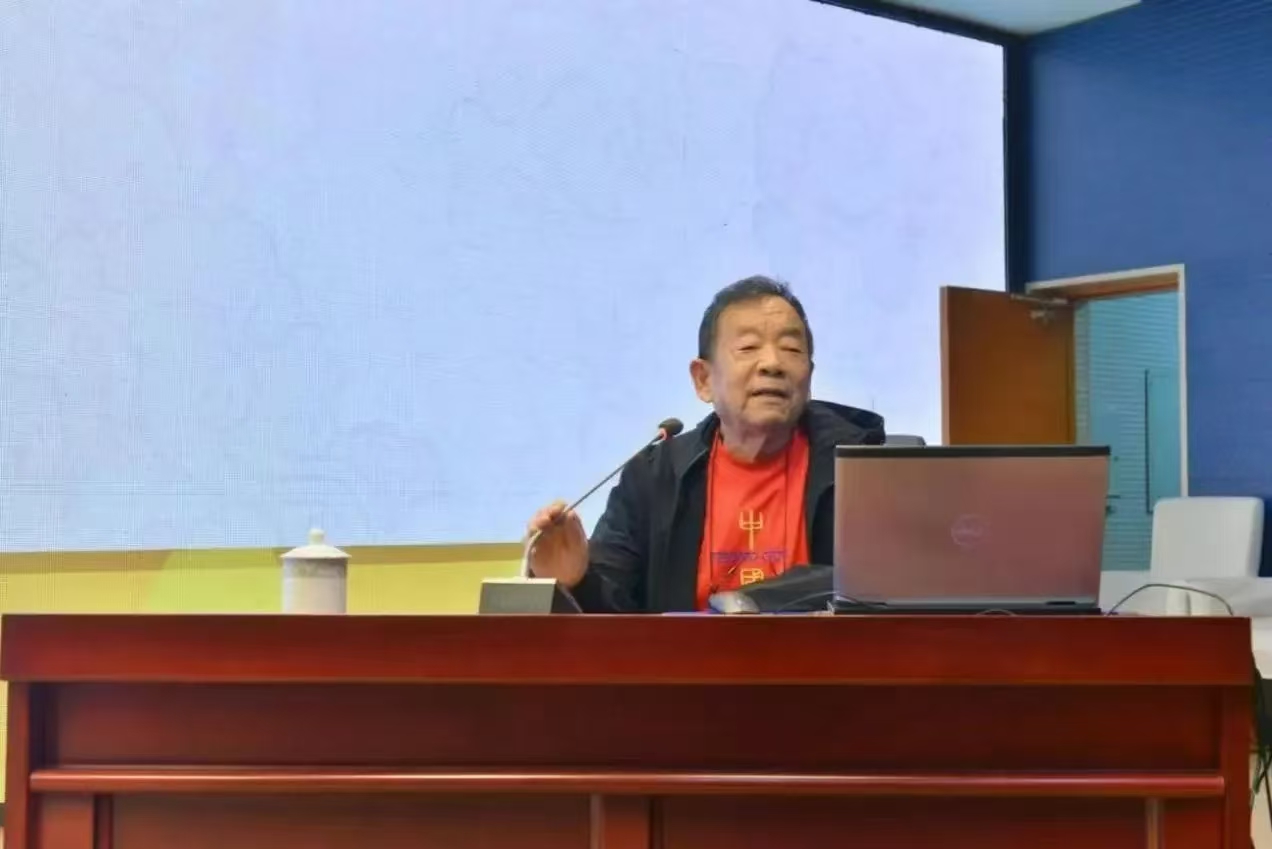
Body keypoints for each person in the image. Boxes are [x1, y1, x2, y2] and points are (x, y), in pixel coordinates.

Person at [526, 275, 885, 612]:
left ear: (809, 376)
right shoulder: (654, 477)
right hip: (684, 660)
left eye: (791, 348)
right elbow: (615, 617)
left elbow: (884, 582)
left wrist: (749, 600)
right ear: (703, 380)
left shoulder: (861, 469)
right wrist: (574, 581)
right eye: (748, 347)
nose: (773, 363)